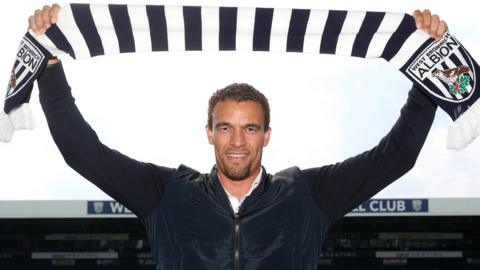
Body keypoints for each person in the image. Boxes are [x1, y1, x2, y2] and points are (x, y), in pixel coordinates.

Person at [31, 4, 446, 270]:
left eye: (249, 128)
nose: (236, 141)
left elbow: (396, 157)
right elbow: (82, 152)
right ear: (209, 133)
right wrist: (49, 66)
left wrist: (426, 65)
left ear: (267, 135)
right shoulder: (167, 192)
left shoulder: (306, 193)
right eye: (225, 127)